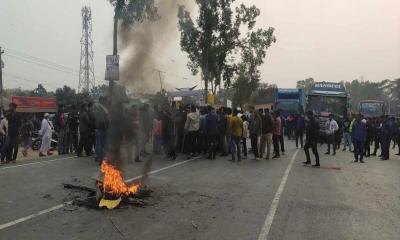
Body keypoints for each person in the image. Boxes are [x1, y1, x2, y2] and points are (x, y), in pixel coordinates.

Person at [94, 97, 109, 163]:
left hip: (99, 128)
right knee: (101, 144)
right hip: (101, 128)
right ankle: (101, 159)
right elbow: (102, 120)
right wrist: (106, 128)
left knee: (99, 144)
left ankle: (99, 157)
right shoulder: (100, 109)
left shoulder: (99, 108)